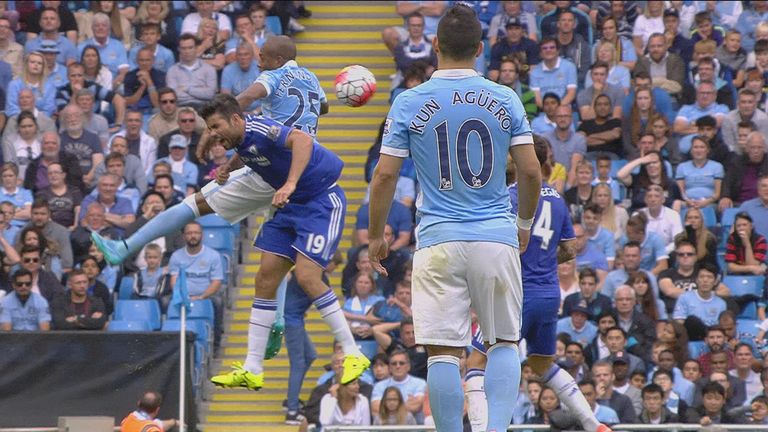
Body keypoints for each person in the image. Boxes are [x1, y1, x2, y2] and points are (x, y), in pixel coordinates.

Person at [368, 5, 541, 431]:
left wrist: (376, 235)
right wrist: (522, 226)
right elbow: (532, 171)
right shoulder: (504, 97)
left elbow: (386, 173)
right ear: (481, 49)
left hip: (438, 240)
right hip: (494, 236)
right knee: (502, 342)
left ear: (434, 45)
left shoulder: (409, 100)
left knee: (443, 352)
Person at [192, 93, 368, 390]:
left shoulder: (261, 128)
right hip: (290, 207)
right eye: (209, 128)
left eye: (215, 126)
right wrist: (229, 167)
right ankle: (252, 368)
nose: (212, 134)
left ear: (236, 119)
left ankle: (353, 352)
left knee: (307, 275)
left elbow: (302, 141)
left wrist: (290, 183)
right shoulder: (241, 140)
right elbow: (251, 151)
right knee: (264, 279)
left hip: (321, 201)